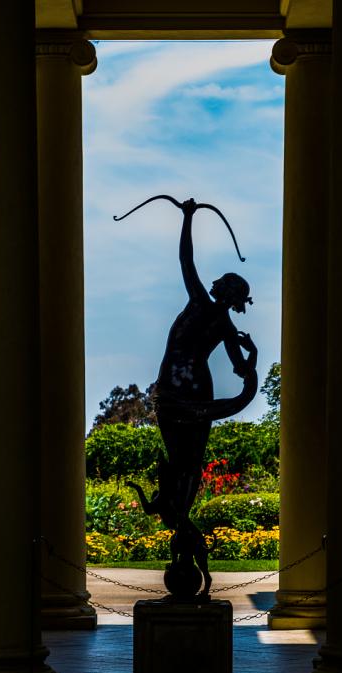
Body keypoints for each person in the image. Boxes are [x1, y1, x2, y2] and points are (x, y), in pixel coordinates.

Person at [116, 195, 258, 599]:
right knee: (183, 460)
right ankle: (179, 518)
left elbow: (186, 260)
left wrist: (188, 219)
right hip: (183, 392)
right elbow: (187, 260)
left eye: (224, 286)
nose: (216, 286)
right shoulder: (211, 312)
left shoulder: (210, 311)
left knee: (186, 460)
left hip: (185, 390)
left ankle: (179, 519)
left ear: (227, 293)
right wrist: (188, 219)